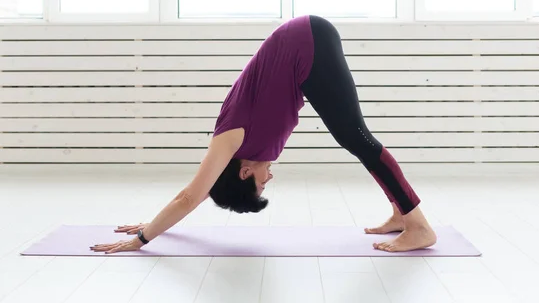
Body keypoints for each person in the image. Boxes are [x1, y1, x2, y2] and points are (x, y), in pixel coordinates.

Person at [91, 15, 437, 254]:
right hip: (305, 48)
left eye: (261, 182)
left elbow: (190, 196)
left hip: (308, 42)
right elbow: (194, 196)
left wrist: (144, 236)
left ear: (244, 172)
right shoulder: (248, 148)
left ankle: (419, 227)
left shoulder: (230, 139)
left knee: (356, 137)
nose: (269, 176)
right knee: (353, 137)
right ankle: (401, 213)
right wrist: (155, 223)